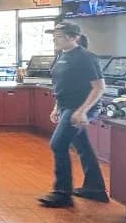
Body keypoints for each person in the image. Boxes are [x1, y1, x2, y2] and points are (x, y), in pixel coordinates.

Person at [38, 21, 109, 208]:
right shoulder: (62, 55)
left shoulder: (86, 57)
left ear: (74, 37)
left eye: (59, 36)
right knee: (82, 145)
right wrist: (56, 107)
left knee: (57, 144)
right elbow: (63, 85)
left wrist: (82, 111)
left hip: (80, 107)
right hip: (66, 107)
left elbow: (99, 87)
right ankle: (95, 188)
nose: (54, 40)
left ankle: (62, 193)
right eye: (54, 36)